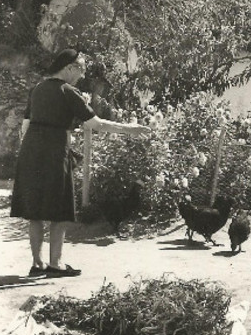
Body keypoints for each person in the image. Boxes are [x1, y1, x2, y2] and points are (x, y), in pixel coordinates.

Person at [10, 48, 150, 278]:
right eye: (81, 68)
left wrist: (30, 152)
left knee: (33, 211)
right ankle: (56, 264)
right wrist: (130, 129)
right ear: (69, 68)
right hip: (55, 151)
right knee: (60, 211)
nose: (83, 74)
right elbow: (96, 124)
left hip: (31, 153)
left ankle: (37, 264)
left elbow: (25, 127)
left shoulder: (37, 89)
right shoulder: (68, 91)